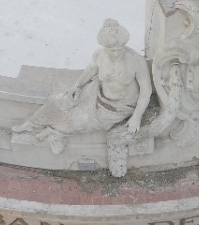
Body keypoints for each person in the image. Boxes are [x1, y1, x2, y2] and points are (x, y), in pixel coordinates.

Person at [12, 19, 153, 153]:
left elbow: (146, 91)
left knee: (78, 121)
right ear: (105, 47)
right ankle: (31, 124)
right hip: (97, 92)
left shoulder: (135, 61)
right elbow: (92, 69)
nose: (116, 53)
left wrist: (136, 117)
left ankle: (55, 132)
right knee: (59, 100)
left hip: (119, 107)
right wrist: (77, 85)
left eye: (119, 49)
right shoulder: (100, 55)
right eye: (112, 50)